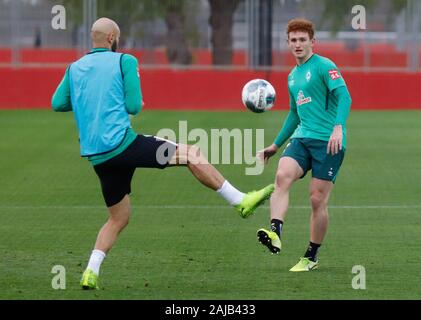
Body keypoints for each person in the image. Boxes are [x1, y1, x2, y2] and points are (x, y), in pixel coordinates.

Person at [51, 17, 274, 289]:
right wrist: (129, 101)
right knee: (191, 153)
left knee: (118, 217)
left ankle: (90, 271)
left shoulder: (74, 68)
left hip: (99, 158)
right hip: (124, 145)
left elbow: (57, 103)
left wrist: (90, 101)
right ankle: (241, 201)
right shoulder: (125, 61)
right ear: (111, 39)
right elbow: (134, 106)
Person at [256, 18, 352, 272]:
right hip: (302, 137)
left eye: (302, 40)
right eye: (293, 40)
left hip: (328, 143)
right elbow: (294, 114)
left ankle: (311, 256)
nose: (298, 44)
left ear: (312, 42)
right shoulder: (292, 76)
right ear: (288, 43)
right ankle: (275, 231)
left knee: (316, 199)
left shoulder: (324, 66)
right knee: (282, 176)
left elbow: (345, 96)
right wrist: (275, 145)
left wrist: (338, 127)